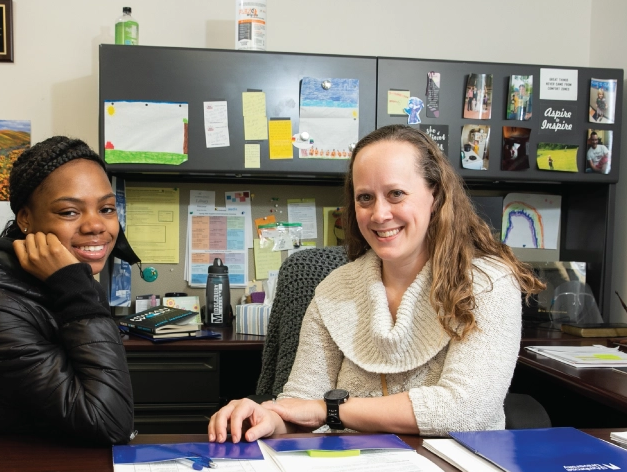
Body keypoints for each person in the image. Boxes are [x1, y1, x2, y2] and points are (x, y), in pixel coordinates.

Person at [209, 125, 544, 444]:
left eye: (396, 194)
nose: (379, 214)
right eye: (365, 198)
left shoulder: (487, 282)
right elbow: (302, 404)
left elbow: (465, 409)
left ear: (436, 196)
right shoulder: (334, 289)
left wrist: (331, 410)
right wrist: (270, 417)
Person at [0, 136, 137, 472]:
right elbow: (109, 422)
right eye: (70, 212)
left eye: (106, 209)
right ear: (25, 218)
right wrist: (78, 290)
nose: (96, 226)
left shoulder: (56, 278)